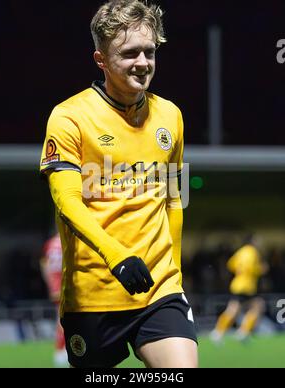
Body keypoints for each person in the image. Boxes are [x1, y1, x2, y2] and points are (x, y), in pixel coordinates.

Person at [40, 0, 197, 368]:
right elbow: (67, 201)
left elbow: (175, 198)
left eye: (149, 51)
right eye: (129, 54)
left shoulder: (171, 115)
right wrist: (116, 256)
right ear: (101, 60)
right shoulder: (69, 117)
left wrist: (174, 270)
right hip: (93, 295)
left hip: (161, 291)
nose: (143, 62)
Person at [210, 234, 268, 343]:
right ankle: (237, 332)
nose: (259, 243)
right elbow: (250, 268)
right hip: (247, 285)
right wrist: (260, 269)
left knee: (250, 306)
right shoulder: (252, 251)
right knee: (248, 307)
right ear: (252, 241)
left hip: (238, 283)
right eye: (257, 240)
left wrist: (238, 271)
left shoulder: (241, 251)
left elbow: (230, 264)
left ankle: (226, 332)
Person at [40, 233, 68, 367]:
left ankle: (62, 349)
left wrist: (49, 283)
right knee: (63, 318)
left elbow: (44, 263)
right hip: (65, 285)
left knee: (61, 316)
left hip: (54, 285)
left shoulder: (50, 243)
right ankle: (60, 350)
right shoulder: (66, 240)